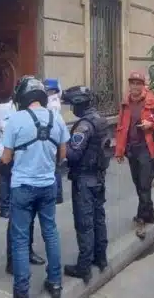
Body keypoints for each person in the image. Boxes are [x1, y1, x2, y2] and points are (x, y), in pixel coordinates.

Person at [1, 77, 70, 298]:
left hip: (22, 186)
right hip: (47, 185)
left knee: (20, 240)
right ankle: (56, 283)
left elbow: (5, 158)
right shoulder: (57, 118)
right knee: (50, 233)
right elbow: (62, 155)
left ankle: (22, 291)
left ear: (23, 97)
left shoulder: (15, 120)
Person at [60, 85, 111, 284]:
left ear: (79, 105)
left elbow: (73, 154)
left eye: (72, 104)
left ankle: (84, 268)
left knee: (85, 224)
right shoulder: (101, 120)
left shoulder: (84, 126)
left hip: (84, 181)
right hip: (99, 178)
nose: (71, 108)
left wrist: (63, 144)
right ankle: (101, 259)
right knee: (99, 219)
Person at [114, 71, 154, 239]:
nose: (135, 86)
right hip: (132, 150)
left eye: (139, 83)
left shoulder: (152, 101)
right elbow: (120, 128)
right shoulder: (125, 103)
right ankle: (150, 213)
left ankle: (142, 220)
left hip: (147, 149)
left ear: (143, 85)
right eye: (133, 83)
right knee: (138, 184)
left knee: (145, 185)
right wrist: (119, 151)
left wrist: (151, 124)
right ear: (129, 85)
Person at [0, 76, 46, 274]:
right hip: (12, 170)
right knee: (16, 219)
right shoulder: (10, 116)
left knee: (30, 216)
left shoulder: (30, 114)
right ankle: (12, 260)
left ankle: (27, 251)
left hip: (30, 171)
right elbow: (4, 155)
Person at [44, 78, 64, 205]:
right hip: (57, 134)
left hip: (52, 135)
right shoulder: (56, 99)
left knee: (54, 167)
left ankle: (56, 195)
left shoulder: (51, 104)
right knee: (56, 166)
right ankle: (58, 195)